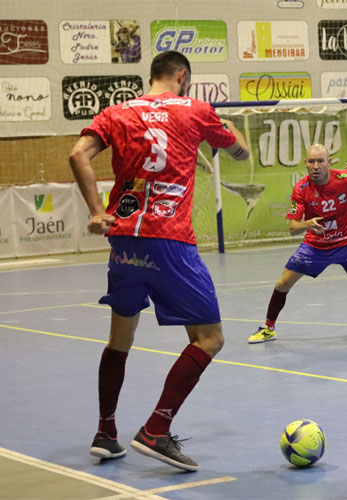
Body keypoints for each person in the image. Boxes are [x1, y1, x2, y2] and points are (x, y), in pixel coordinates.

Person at [69, 50, 250, 472]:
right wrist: (227, 127)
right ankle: (156, 429)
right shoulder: (196, 110)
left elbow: (78, 155)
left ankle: (106, 432)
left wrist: (97, 211)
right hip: (169, 241)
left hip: (123, 241)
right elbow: (239, 151)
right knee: (210, 338)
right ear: (182, 76)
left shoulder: (117, 111)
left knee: (119, 340)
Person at [247, 143, 347, 344]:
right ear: (305, 164)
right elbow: (293, 228)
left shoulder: (346, 179)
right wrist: (307, 224)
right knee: (283, 284)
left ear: (329, 162)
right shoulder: (301, 189)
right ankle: (268, 328)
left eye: (320, 161)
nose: (316, 166)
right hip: (316, 246)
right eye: (311, 161)